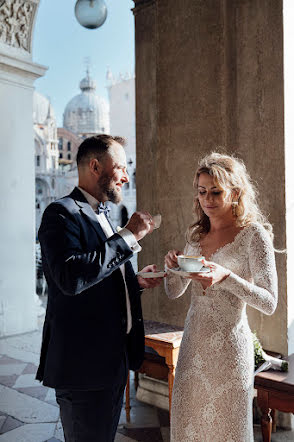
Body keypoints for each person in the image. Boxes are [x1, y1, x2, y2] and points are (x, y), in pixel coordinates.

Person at [36, 134, 163, 442]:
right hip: (83, 367)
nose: (125, 176)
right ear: (95, 166)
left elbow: (97, 275)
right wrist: (129, 236)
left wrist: (133, 282)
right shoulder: (60, 213)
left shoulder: (103, 213)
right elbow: (71, 277)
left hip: (110, 362)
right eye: (120, 167)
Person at [164, 152, 278, 442]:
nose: (208, 199)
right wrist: (172, 269)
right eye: (202, 192)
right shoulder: (196, 235)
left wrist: (227, 278)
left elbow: (269, 302)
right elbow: (173, 292)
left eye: (216, 192)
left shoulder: (253, 235)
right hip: (192, 348)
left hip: (229, 350)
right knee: (188, 428)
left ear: (236, 193)